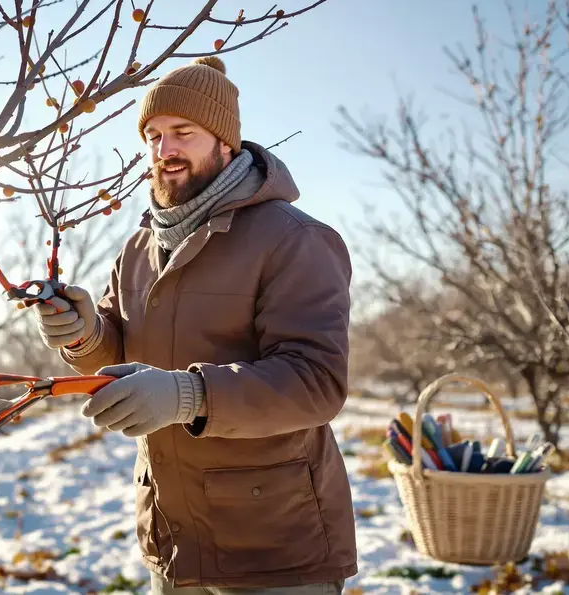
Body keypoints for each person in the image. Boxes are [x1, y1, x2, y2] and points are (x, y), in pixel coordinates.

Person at [33, 56, 357, 594]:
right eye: (153, 136)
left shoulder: (292, 239)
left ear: (225, 142)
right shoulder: (140, 246)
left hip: (273, 547)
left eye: (183, 132)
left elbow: (316, 382)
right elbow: (120, 349)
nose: (165, 150)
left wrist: (188, 395)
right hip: (174, 542)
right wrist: (84, 334)